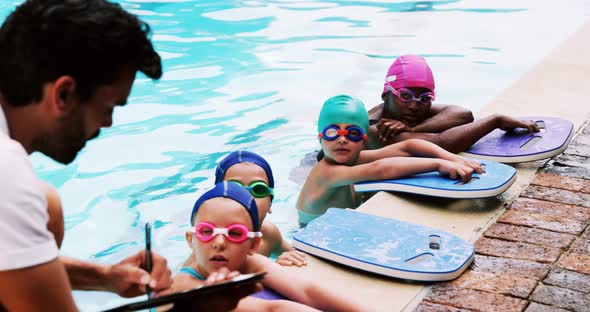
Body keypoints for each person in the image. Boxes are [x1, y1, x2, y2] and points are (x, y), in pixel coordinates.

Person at [0, 1, 253, 311]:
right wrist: (188, 309)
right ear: (63, 94)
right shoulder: (8, 178)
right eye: (108, 109)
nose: (107, 124)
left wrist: (105, 277)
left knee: (46, 203)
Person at [174, 182, 364, 311]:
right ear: (191, 240)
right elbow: (273, 309)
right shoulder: (184, 288)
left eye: (235, 233)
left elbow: (307, 291)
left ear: (253, 244)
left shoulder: (250, 262)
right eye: (207, 231)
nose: (219, 242)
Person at [297, 95, 483, 225]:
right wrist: (437, 164)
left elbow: (408, 146)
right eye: (332, 132)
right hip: (310, 231)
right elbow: (381, 169)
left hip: (338, 222)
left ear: (364, 141)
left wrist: (451, 158)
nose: (342, 139)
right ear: (320, 139)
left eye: (352, 133)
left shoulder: (354, 159)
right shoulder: (325, 172)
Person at [369, 54, 540, 152]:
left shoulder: (403, 115)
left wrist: (414, 129)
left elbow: (463, 115)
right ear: (386, 95)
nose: (414, 106)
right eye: (405, 96)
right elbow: (443, 145)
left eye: (425, 99)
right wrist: (495, 120)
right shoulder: (375, 128)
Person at [183, 150, 307, 267]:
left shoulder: (269, 234)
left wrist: (286, 260)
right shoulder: (208, 249)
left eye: (258, 189)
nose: (246, 196)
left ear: (270, 203)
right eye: (234, 188)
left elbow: (299, 257)